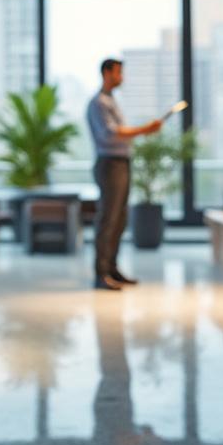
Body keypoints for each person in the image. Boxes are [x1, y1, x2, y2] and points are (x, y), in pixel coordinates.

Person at [86, 59, 163, 291]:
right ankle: (101, 274)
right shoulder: (98, 103)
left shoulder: (111, 101)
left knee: (120, 219)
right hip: (110, 165)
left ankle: (112, 269)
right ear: (106, 73)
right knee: (108, 219)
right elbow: (110, 134)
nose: (122, 77)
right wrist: (144, 130)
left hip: (121, 163)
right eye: (119, 73)